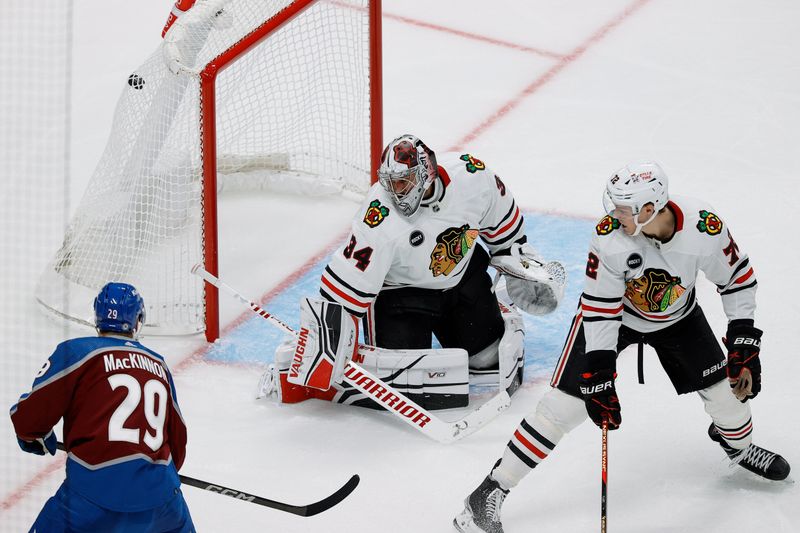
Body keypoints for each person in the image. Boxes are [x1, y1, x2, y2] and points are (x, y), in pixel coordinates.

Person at [453, 161, 790, 533]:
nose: (614, 215)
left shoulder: (703, 228)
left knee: (728, 397)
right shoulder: (610, 236)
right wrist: (598, 373)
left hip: (679, 318)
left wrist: (742, 343)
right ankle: (488, 492)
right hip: (615, 317)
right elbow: (600, 309)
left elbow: (737, 279)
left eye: (623, 209)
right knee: (563, 408)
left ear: (650, 209)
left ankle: (738, 447)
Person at [258, 134, 565, 410]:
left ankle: (487, 308)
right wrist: (324, 342)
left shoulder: (473, 177)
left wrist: (518, 264)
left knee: (488, 361)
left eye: (402, 182)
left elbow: (505, 231)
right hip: (400, 297)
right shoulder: (378, 217)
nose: (393, 190)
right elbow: (345, 288)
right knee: (408, 387)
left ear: (426, 174)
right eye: (389, 181)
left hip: (460, 281)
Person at [10, 282, 195, 533]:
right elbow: (178, 442)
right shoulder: (158, 364)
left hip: (91, 498)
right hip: (163, 502)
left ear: (97, 318)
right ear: (137, 321)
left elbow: (30, 418)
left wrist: (33, 436)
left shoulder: (78, 352)